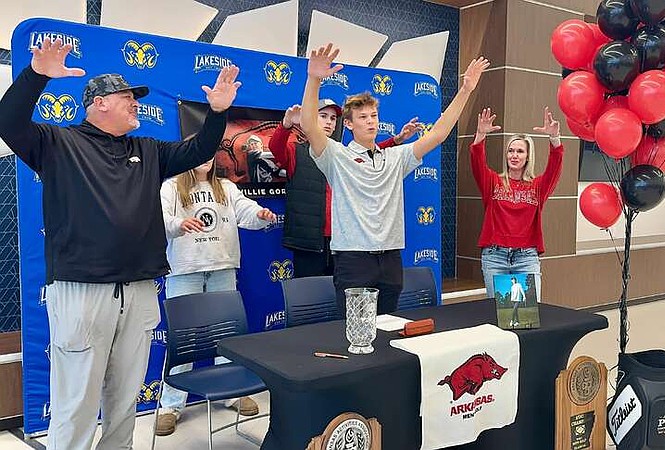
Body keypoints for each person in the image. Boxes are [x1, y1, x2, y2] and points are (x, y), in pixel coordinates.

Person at [0, 37, 240, 450]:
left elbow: (199, 148)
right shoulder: (57, 143)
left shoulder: (148, 150)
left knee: (125, 399)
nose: (135, 103)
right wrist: (36, 74)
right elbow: (8, 123)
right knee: (76, 402)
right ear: (98, 104)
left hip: (139, 289)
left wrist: (217, 113)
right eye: (126, 96)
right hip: (82, 292)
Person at [300, 43, 489, 315]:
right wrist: (314, 79)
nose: (370, 121)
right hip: (354, 259)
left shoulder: (395, 157)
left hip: (390, 259)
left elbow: (437, 134)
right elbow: (309, 125)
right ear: (349, 124)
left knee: (388, 329)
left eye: (374, 116)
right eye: (362, 117)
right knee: (357, 333)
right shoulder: (336, 156)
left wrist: (465, 90)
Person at [155, 157, 276, 436]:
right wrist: (178, 224)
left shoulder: (225, 187)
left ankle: (231, 393)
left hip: (222, 267)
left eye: (211, 154)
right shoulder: (172, 187)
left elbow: (245, 210)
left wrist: (259, 215)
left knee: (227, 337)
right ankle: (171, 406)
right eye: (200, 152)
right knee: (182, 340)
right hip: (185, 270)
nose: (206, 159)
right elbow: (159, 220)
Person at [269, 99, 423, 278]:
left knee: (343, 295)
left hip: (344, 242)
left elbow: (370, 155)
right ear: (311, 119)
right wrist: (286, 124)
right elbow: (275, 148)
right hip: (309, 242)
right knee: (310, 298)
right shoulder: (296, 151)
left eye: (333, 118)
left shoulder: (343, 153)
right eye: (323, 116)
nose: (329, 122)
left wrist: (396, 141)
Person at [470, 106, 563, 303]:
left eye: (520, 151)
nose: (514, 155)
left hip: (526, 258)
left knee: (526, 317)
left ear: (528, 156)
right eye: (511, 150)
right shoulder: (493, 182)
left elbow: (554, 169)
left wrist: (554, 140)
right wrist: (480, 135)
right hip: (495, 257)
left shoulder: (538, 186)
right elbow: (477, 162)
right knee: (499, 316)